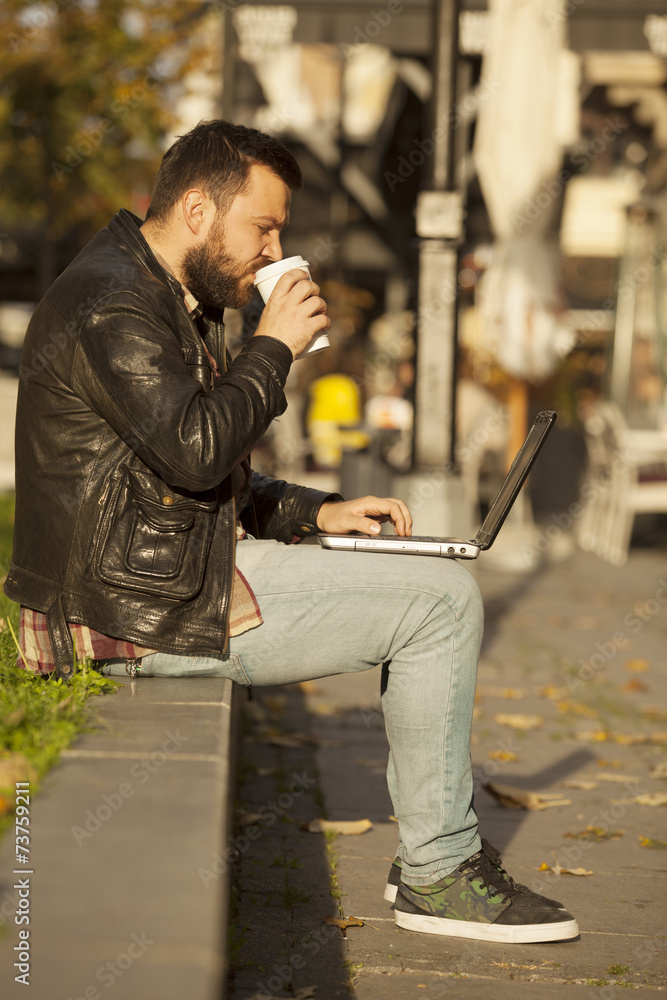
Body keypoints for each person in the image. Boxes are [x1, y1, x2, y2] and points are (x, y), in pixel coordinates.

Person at [6, 120, 578, 944]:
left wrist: (316, 512)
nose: (273, 247)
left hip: (155, 578)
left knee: (428, 586)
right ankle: (439, 873)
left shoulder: (169, 295)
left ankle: (438, 864)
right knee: (442, 602)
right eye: (263, 227)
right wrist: (272, 347)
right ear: (197, 209)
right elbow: (197, 452)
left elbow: (193, 470)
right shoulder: (113, 303)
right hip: (120, 611)